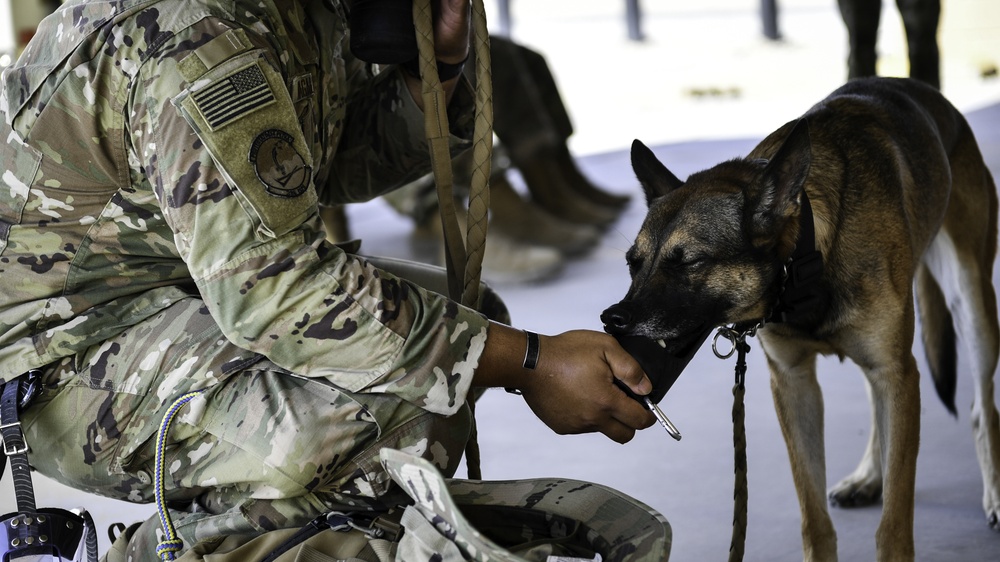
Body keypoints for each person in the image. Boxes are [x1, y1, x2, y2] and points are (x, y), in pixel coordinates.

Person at [0, 0, 655, 560]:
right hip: (62, 356)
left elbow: (321, 169)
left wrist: (438, 72)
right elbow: (276, 293)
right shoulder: (199, 35)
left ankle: (343, 534)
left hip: (180, 294)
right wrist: (530, 362)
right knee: (372, 412)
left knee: (460, 322)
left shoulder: (302, 13)